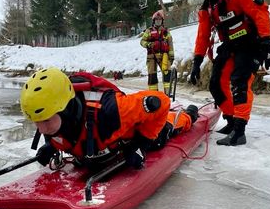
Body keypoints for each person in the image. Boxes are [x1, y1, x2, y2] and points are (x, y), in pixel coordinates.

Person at [19, 67, 199, 170]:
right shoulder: (53, 116)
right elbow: (60, 129)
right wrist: (51, 145)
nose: (41, 129)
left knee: (163, 134)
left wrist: (141, 145)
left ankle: (188, 116)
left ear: (66, 110)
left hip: (131, 133)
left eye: (45, 121)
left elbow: (161, 102)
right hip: (100, 142)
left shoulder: (112, 111)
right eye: (36, 122)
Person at [188, 0, 270, 146]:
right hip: (231, 45)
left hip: (252, 43)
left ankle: (240, 131)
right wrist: (196, 63)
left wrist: (267, 44)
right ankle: (231, 120)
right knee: (216, 84)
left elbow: (260, 13)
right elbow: (203, 36)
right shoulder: (207, 8)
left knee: (240, 82)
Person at [140, 10, 175, 94]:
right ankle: (154, 95)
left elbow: (170, 44)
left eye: (160, 20)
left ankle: (168, 94)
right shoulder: (148, 31)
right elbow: (142, 42)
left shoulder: (166, 32)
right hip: (152, 57)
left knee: (167, 74)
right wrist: (149, 44)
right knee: (152, 76)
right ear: (153, 21)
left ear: (162, 21)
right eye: (156, 20)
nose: (158, 21)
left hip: (164, 56)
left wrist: (171, 57)